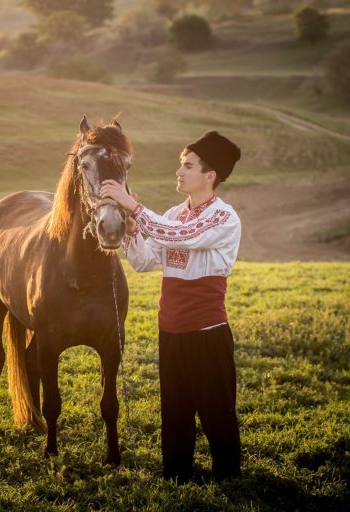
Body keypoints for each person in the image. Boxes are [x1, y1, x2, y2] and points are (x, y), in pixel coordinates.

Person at [99, 130, 242, 483]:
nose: (179, 172)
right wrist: (132, 230)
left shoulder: (224, 218)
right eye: (181, 164)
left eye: (188, 166)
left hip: (208, 333)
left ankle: (228, 478)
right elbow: (147, 261)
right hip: (171, 330)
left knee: (215, 412)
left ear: (209, 176)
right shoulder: (175, 213)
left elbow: (184, 236)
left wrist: (134, 206)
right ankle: (176, 475)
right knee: (175, 410)